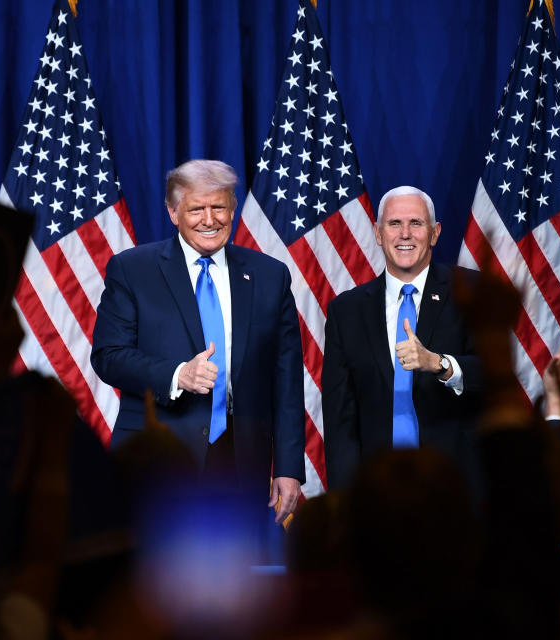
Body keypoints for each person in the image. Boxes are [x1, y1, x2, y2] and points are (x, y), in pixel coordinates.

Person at [91, 159, 305, 523]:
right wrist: (177, 376)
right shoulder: (132, 269)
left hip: (241, 461)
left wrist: (288, 466)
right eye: (196, 209)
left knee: (236, 577)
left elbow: (286, 380)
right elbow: (109, 356)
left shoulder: (271, 276)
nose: (210, 219)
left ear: (233, 209)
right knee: (151, 576)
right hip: (157, 455)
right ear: (173, 212)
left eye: (219, 207)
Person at [321, 186, 483, 489]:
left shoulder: (471, 292)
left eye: (416, 224)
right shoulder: (347, 311)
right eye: (394, 224)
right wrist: (345, 502)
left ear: (435, 233)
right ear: (378, 233)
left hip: (455, 489)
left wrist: (440, 364)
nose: (405, 234)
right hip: (377, 491)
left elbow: (497, 376)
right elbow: (340, 418)